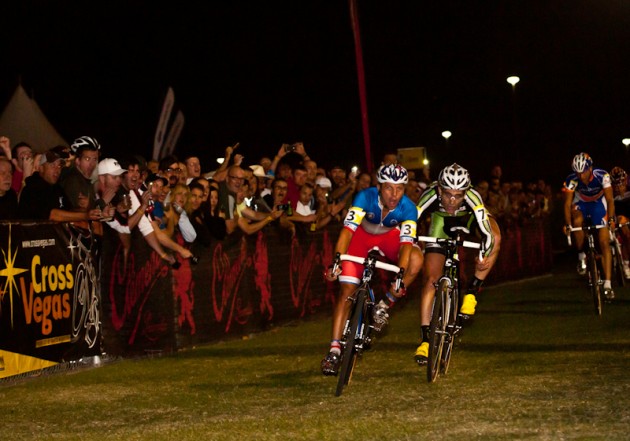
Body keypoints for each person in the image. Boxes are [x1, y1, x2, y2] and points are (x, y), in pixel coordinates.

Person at [321, 163, 422, 376]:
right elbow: (347, 231)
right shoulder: (364, 197)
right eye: (388, 188)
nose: (394, 194)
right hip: (361, 237)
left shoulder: (409, 208)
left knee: (415, 259)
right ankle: (334, 349)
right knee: (347, 290)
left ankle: (385, 304)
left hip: (389, 238)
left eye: (399, 188)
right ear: (379, 187)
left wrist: (400, 274)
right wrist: (337, 260)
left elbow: (405, 244)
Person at [414, 163, 501, 366]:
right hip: (440, 223)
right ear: (439, 189)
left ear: (466, 192)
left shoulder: (473, 198)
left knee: (496, 237)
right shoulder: (429, 195)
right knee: (430, 279)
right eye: (447, 194)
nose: (452, 200)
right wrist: (415, 242)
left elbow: (487, 233)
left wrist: (483, 256)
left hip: (468, 219)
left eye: (458, 195)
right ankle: (426, 340)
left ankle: (472, 292)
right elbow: (411, 222)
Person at [563, 153, 616, 298]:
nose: (581, 176)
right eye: (578, 173)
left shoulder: (602, 176)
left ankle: (608, 284)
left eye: (584, 172)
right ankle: (581, 255)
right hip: (581, 203)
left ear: (590, 168)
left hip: (599, 204)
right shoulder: (572, 179)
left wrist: (611, 219)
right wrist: (567, 225)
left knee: (604, 242)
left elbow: (610, 200)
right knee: (577, 222)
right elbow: (567, 203)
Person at [18, 147, 101, 222]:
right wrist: (85, 215)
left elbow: (68, 212)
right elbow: (52, 215)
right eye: (52, 165)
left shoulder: (57, 188)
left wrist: (84, 210)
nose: (57, 170)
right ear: (41, 168)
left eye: (59, 166)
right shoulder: (32, 188)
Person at [59, 136, 101, 211]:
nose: (92, 164)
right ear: (78, 161)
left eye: (95, 159)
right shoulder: (73, 180)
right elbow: (72, 213)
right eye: (87, 159)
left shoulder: (86, 182)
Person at [609, 166, 630, 279]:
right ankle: (626, 263)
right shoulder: (609, 190)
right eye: (616, 184)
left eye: (621, 183)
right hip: (619, 211)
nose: (618, 186)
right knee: (626, 232)